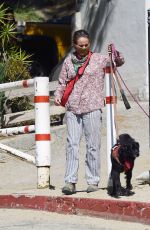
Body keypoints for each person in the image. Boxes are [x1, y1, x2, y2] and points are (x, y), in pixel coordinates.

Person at [54, 29, 124, 195]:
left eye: (86, 44)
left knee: (93, 145)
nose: (84, 47)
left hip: (92, 107)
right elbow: (62, 82)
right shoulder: (68, 62)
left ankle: (92, 181)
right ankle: (70, 182)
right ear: (74, 45)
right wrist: (58, 95)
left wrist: (116, 53)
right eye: (81, 45)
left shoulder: (99, 59)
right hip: (72, 108)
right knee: (72, 145)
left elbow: (118, 62)